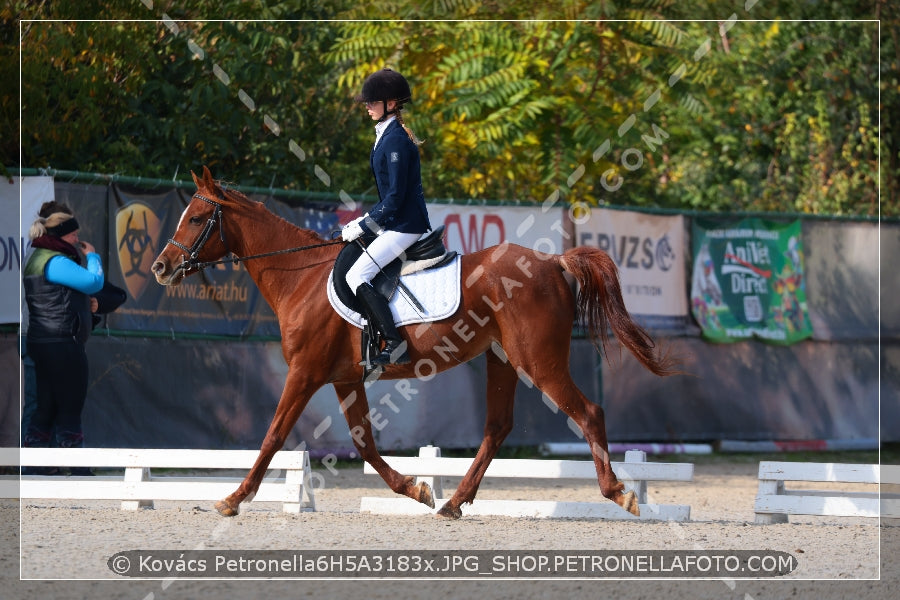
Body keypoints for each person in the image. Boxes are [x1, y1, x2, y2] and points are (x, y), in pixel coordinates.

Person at [342, 68, 432, 366]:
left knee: (356, 275)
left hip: (406, 225)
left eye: (372, 102)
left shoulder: (395, 140)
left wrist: (364, 224)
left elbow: (394, 197)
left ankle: (395, 344)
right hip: (396, 223)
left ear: (391, 104)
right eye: (366, 102)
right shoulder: (387, 134)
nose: (366, 106)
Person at [22, 205, 104, 475]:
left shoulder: (37, 258)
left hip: (43, 341)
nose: (77, 240)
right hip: (62, 343)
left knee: (45, 408)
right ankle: (79, 472)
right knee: (70, 407)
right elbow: (93, 282)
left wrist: (85, 304)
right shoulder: (55, 261)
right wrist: (93, 257)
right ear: (62, 235)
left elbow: (60, 295)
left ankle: (37, 469)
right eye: (74, 235)